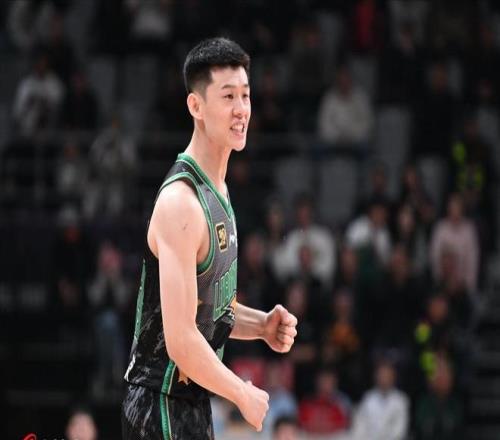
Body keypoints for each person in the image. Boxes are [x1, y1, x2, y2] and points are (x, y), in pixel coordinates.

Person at [122, 37, 298, 439]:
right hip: (158, 403)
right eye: (228, 96)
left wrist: (261, 325)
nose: (241, 109)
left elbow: (211, 308)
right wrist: (241, 392)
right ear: (196, 106)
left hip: (190, 400)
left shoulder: (217, 188)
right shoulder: (181, 203)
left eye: (246, 95)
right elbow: (181, 339)